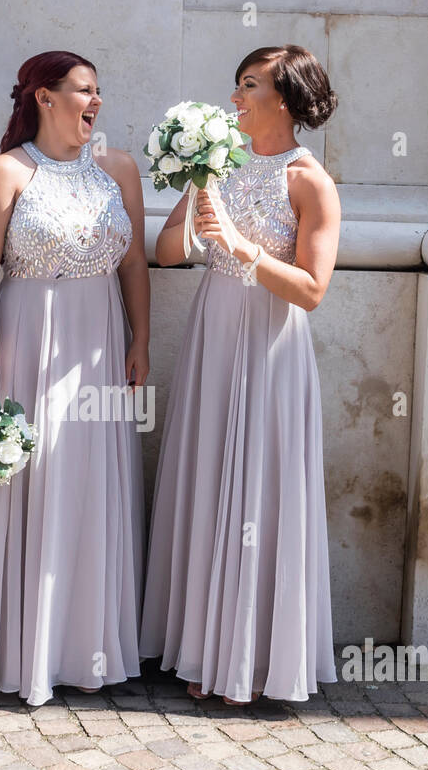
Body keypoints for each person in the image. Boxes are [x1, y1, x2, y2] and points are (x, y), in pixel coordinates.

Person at [0, 51, 151, 706]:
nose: (95, 103)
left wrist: (143, 337)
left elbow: (135, 263)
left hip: (100, 337)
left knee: (90, 482)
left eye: (98, 91)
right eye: (84, 91)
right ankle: (15, 650)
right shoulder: (8, 172)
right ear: (44, 98)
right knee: (33, 480)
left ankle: (84, 650)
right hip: (27, 336)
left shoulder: (119, 170)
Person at [141, 44, 341, 704]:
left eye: (248, 86)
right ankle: (201, 651)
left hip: (271, 341)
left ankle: (254, 661)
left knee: (259, 485)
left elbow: (312, 290)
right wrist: (198, 213)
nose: (234, 98)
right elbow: (166, 253)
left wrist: (240, 246)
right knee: (208, 477)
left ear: (282, 98)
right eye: (235, 85)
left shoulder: (309, 179)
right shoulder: (218, 166)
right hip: (213, 332)